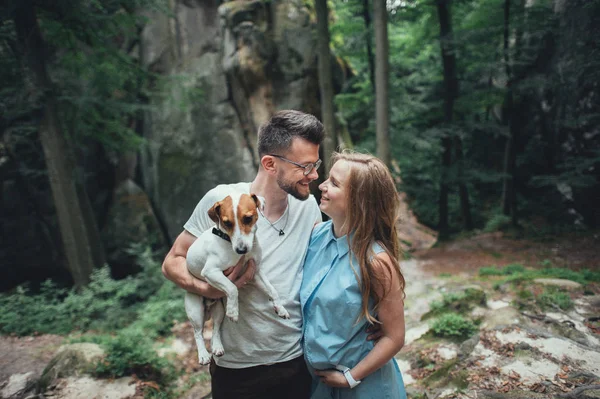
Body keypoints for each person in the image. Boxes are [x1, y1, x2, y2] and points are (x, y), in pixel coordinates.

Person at [162, 110, 325, 399]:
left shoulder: (309, 207)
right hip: (236, 369)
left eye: (316, 164)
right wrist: (208, 289)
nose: (313, 175)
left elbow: (322, 275)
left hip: (296, 361)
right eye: (306, 166)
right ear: (270, 164)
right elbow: (173, 261)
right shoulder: (221, 202)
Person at [301, 151, 407, 399]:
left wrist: (351, 377)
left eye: (335, 183)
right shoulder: (315, 237)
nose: (322, 186)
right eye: (328, 179)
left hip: (364, 388)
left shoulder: (376, 262)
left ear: (359, 200)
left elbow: (394, 336)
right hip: (318, 386)